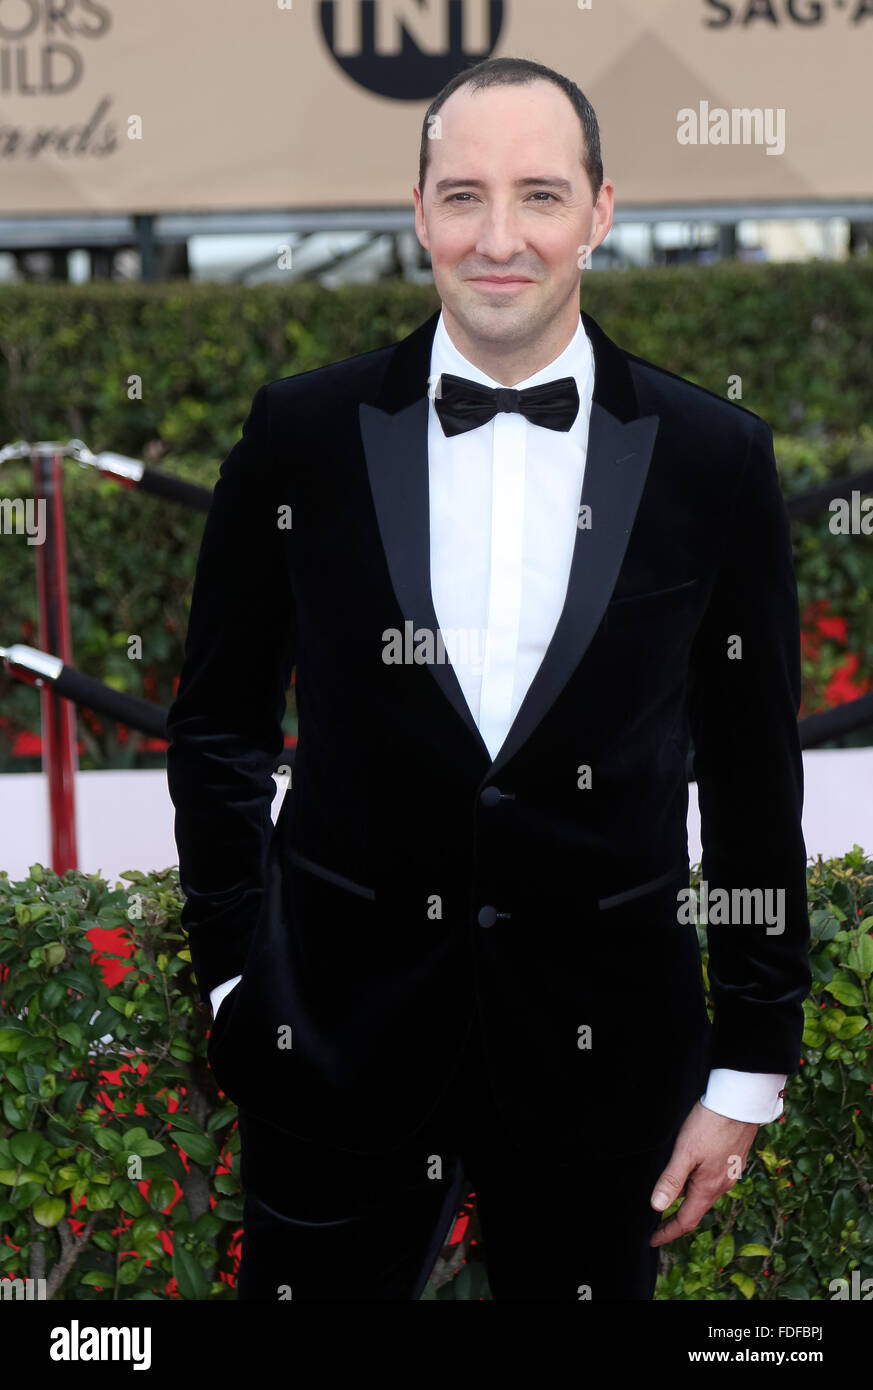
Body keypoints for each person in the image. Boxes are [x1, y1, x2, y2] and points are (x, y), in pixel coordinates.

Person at [165, 56, 811, 1301]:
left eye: (540, 195)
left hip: (606, 1053)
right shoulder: (300, 434)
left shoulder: (713, 459)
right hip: (333, 1039)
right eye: (463, 196)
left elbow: (749, 776)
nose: (499, 237)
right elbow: (217, 727)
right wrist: (241, 975)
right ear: (418, 214)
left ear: (602, 211)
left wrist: (748, 1068)